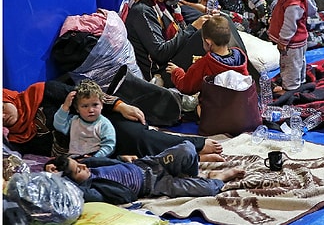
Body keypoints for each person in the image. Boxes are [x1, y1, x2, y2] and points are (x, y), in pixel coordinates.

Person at [3, 79, 224, 159]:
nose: (4, 116)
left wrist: (120, 105)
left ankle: (197, 145)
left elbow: (86, 94)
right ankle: (191, 156)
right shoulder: (17, 140)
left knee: (137, 138)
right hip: (88, 153)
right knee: (140, 163)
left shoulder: (41, 92)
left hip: (100, 124)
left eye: (1, 108)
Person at [47, 141, 244, 205]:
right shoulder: (93, 190)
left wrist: (124, 159)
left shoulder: (91, 165)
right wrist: (58, 178)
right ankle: (219, 177)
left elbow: (110, 159)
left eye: (79, 164)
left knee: (188, 148)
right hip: (154, 185)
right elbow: (72, 191)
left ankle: (191, 173)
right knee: (208, 189)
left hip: (149, 164)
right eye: (78, 170)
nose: (83, 167)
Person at [121, 0, 210, 85]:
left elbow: (180, 34)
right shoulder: (142, 11)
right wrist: (193, 28)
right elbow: (160, 53)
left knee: (215, 28)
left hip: (172, 60)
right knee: (204, 40)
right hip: (159, 73)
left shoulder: (165, 5)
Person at [268, 0, 316, 93]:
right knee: (298, 62)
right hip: (299, 39)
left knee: (290, 65)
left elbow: (290, 25)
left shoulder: (294, 2)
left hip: (291, 41)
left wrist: (283, 40)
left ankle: (290, 88)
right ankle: (299, 82)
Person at [167, 15, 249, 95]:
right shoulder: (240, 59)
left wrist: (176, 72)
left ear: (208, 43)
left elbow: (186, 87)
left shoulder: (205, 63)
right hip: (237, 105)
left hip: (214, 107)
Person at [52, 79, 116, 158]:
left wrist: (95, 158)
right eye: (85, 106)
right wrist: (65, 106)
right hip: (74, 158)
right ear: (77, 109)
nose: (91, 110)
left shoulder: (104, 124)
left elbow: (109, 146)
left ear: (102, 105)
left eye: (95, 105)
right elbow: (58, 125)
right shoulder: (74, 121)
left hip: (96, 158)